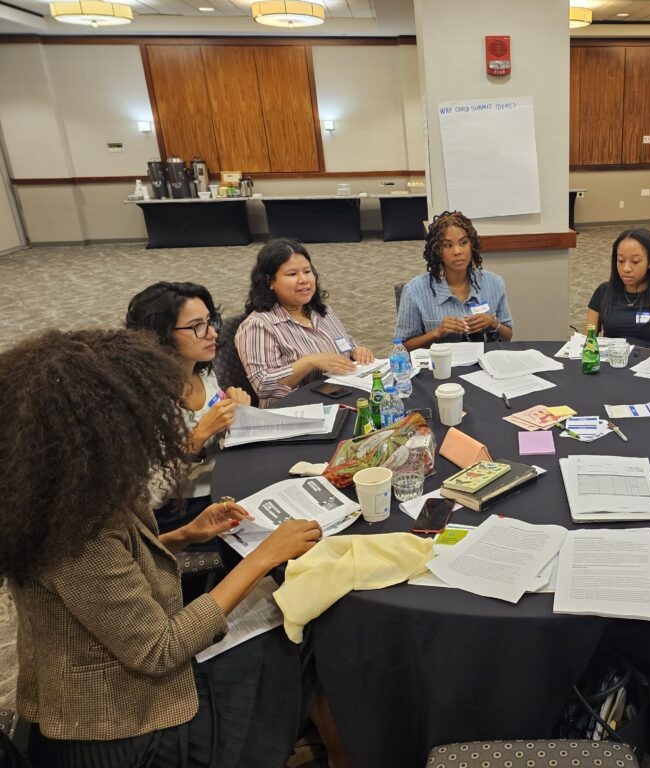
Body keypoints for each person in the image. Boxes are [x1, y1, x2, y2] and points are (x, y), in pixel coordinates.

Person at [0, 328, 324, 767]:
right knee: (298, 621)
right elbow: (159, 651)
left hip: (117, 682)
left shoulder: (57, 492)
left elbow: (110, 578)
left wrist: (182, 535)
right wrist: (265, 555)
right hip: (124, 729)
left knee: (278, 608)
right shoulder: (76, 531)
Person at [126, 281, 251, 532]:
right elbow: (148, 498)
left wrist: (235, 411)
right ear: (159, 336)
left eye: (210, 320)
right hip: (183, 510)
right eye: (196, 327)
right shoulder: (143, 399)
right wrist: (199, 436)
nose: (213, 333)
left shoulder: (202, 370)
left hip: (222, 479)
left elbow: (218, 431)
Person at [236, 239, 374, 406]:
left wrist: (357, 351)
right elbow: (263, 386)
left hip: (340, 397)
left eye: (307, 271)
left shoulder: (321, 311)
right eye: (292, 274)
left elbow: (345, 344)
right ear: (269, 282)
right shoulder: (258, 325)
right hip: (294, 411)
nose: (304, 280)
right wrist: (309, 362)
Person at [395, 210, 514, 351]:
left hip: (484, 366)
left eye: (463, 243)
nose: (457, 251)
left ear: (471, 245)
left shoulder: (494, 283)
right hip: (439, 368)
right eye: (448, 245)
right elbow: (402, 347)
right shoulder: (415, 290)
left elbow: (508, 336)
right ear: (437, 250)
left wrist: (493, 323)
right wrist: (437, 333)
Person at [586, 227, 650, 351]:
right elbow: (588, 341)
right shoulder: (603, 292)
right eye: (621, 260)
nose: (626, 268)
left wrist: (636, 358)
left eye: (635, 261)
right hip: (612, 363)